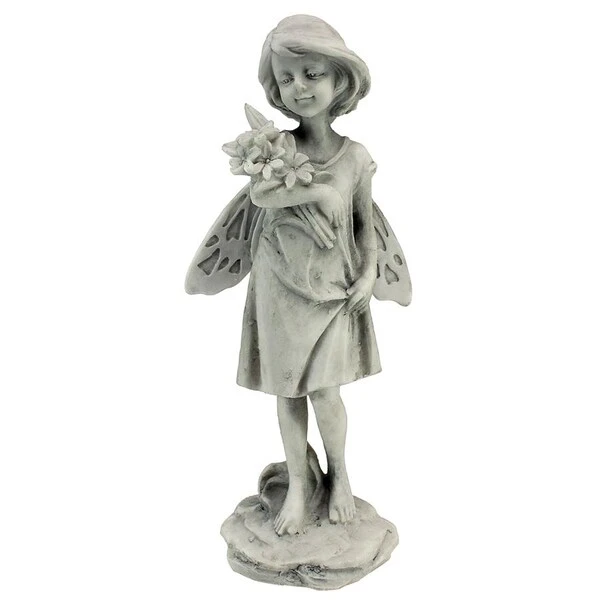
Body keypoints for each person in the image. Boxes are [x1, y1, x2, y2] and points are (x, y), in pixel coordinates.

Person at [235, 15, 381, 535]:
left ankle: (339, 477)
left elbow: (365, 227)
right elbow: (261, 193)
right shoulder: (276, 149)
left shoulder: (355, 158)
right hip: (280, 284)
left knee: (325, 393)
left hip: (334, 291)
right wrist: (317, 191)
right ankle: (298, 483)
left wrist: (369, 273)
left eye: (312, 74)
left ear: (340, 78)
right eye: (287, 78)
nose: (299, 87)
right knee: (288, 391)